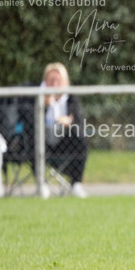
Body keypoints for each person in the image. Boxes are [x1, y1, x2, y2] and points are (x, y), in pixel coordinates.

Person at [41, 62, 89, 198]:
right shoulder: (37, 98)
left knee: (79, 135)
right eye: (51, 81)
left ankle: (76, 184)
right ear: (45, 82)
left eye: (58, 80)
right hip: (42, 143)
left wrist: (68, 122)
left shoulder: (71, 99)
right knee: (33, 135)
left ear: (65, 82)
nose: (55, 84)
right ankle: (42, 185)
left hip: (64, 143)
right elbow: (30, 123)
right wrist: (44, 108)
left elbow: (78, 122)